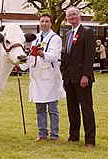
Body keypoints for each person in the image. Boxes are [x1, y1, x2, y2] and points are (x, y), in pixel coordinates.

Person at [19, 13, 65, 141]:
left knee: (52, 108)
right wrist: (21, 66)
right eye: (42, 21)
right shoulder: (36, 38)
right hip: (37, 76)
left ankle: (54, 135)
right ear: (39, 23)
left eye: (46, 21)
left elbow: (54, 56)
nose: (44, 23)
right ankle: (42, 133)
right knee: (40, 107)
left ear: (50, 23)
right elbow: (32, 56)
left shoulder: (55, 38)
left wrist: (42, 53)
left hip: (49, 77)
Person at [63, 7, 96, 147]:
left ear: (79, 16)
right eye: (69, 15)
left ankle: (90, 140)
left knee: (86, 108)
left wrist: (85, 75)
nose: (71, 17)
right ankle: (74, 136)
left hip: (82, 78)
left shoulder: (87, 32)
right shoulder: (67, 34)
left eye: (74, 14)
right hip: (69, 78)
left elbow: (89, 56)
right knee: (72, 109)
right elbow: (66, 57)